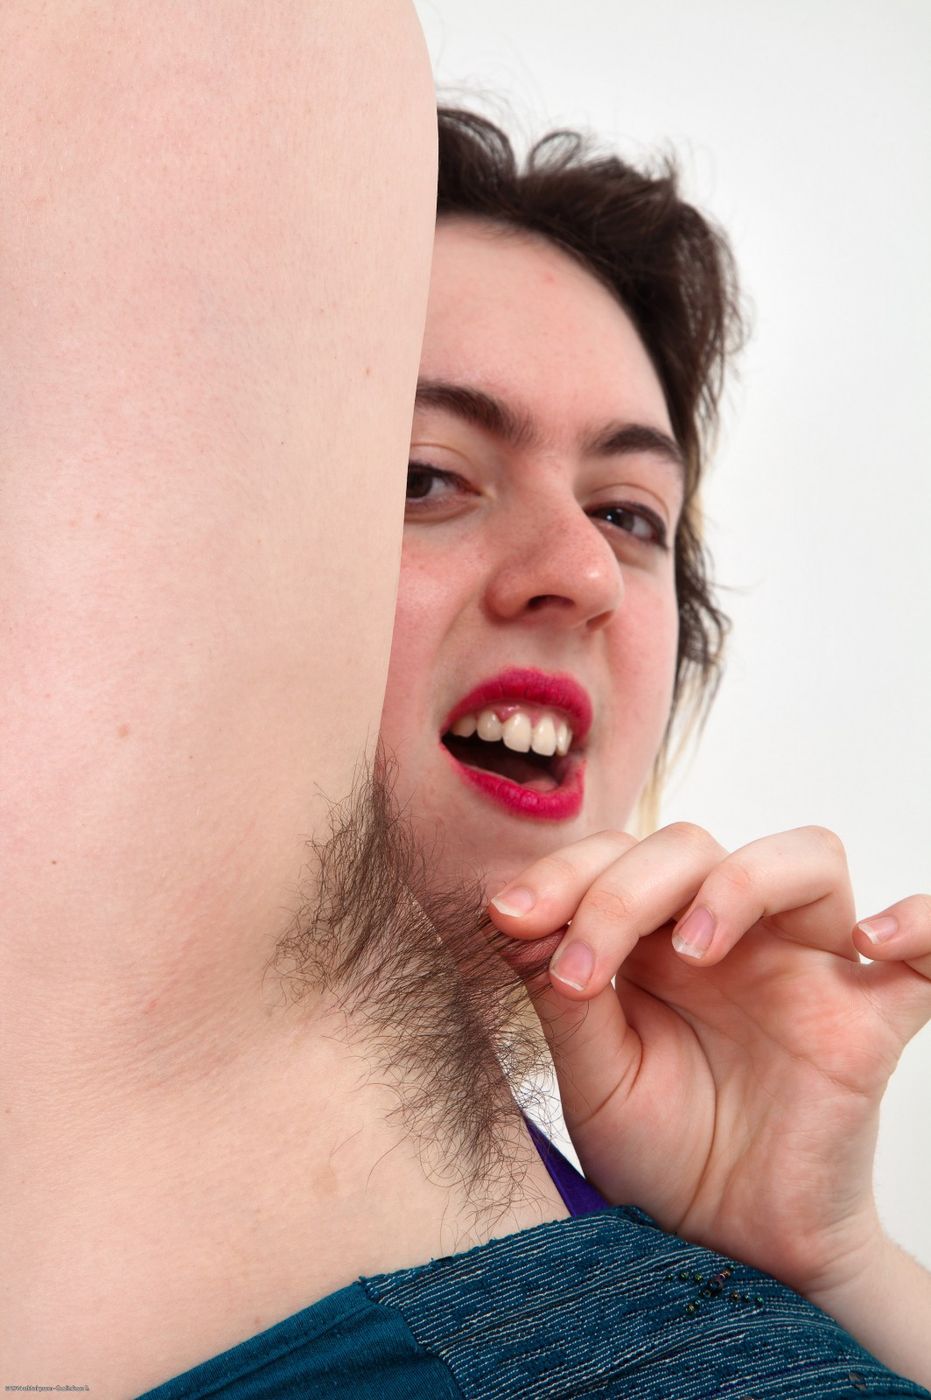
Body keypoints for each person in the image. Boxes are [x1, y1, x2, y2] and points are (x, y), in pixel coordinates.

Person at [1, 7, 928, 1399]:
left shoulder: (702, 1208)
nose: (584, 574)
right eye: (425, 476)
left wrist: (826, 1253)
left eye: (630, 513)